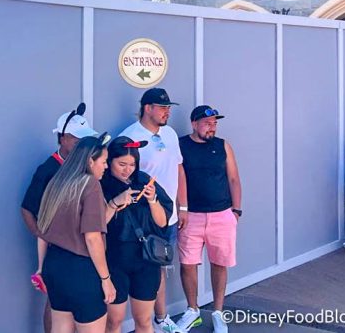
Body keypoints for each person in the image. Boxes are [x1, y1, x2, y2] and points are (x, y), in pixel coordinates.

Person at [21, 103, 99, 332]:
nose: (81, 145)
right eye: (76, 139)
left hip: (86, 251)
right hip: (61, 254)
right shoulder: (47, 170)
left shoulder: (87, 167)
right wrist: (43, 237)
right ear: (62, 138)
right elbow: (27, 209)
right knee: (56, 302)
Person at [119, 88, 187, 333]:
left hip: (169, 217)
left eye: (169, 108)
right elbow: (122, 176)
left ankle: (160, 319)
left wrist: (183, 206)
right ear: (147, 108)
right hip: (145, 220)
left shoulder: (170, 133)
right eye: (162, 108)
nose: (167, 112)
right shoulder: (129, 137)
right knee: (147, 269)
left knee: (160, 268)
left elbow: (179, 169)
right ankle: (147, 321)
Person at [38, 135, 116, 333]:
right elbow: (92, 237)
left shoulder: (56, 183)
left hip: (54, 265)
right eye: (104, 161)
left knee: (60, 327)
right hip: (81, 270)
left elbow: (42, 232)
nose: (106, 166)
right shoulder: (90, 185)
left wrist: (40, 268)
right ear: (90, 161)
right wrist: (106, 279)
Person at [175, 106, 241, 333]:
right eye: (207, 123)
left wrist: (236, 211)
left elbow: (234, 179)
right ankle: (192, 310)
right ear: (194, 124)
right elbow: (177, 177)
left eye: (214, 123)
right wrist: (182, 208)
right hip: (190, 216)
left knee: (219, 263)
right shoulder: (181, 145)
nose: (212, 127)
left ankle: (218, 313)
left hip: (222, 214)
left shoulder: (223, 146)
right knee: (188, 264)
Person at [101, 137, 173, 333]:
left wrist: (152, 200)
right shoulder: (101, 184)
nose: (128, 170)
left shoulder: (143, 180)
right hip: (114, 260)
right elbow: (95, 225)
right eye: (122, 164)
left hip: (145, 259)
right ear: (109, 161)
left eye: (132, 164)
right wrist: (114, 203)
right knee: (113, 322)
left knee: (143, 320)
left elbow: (162, 222)